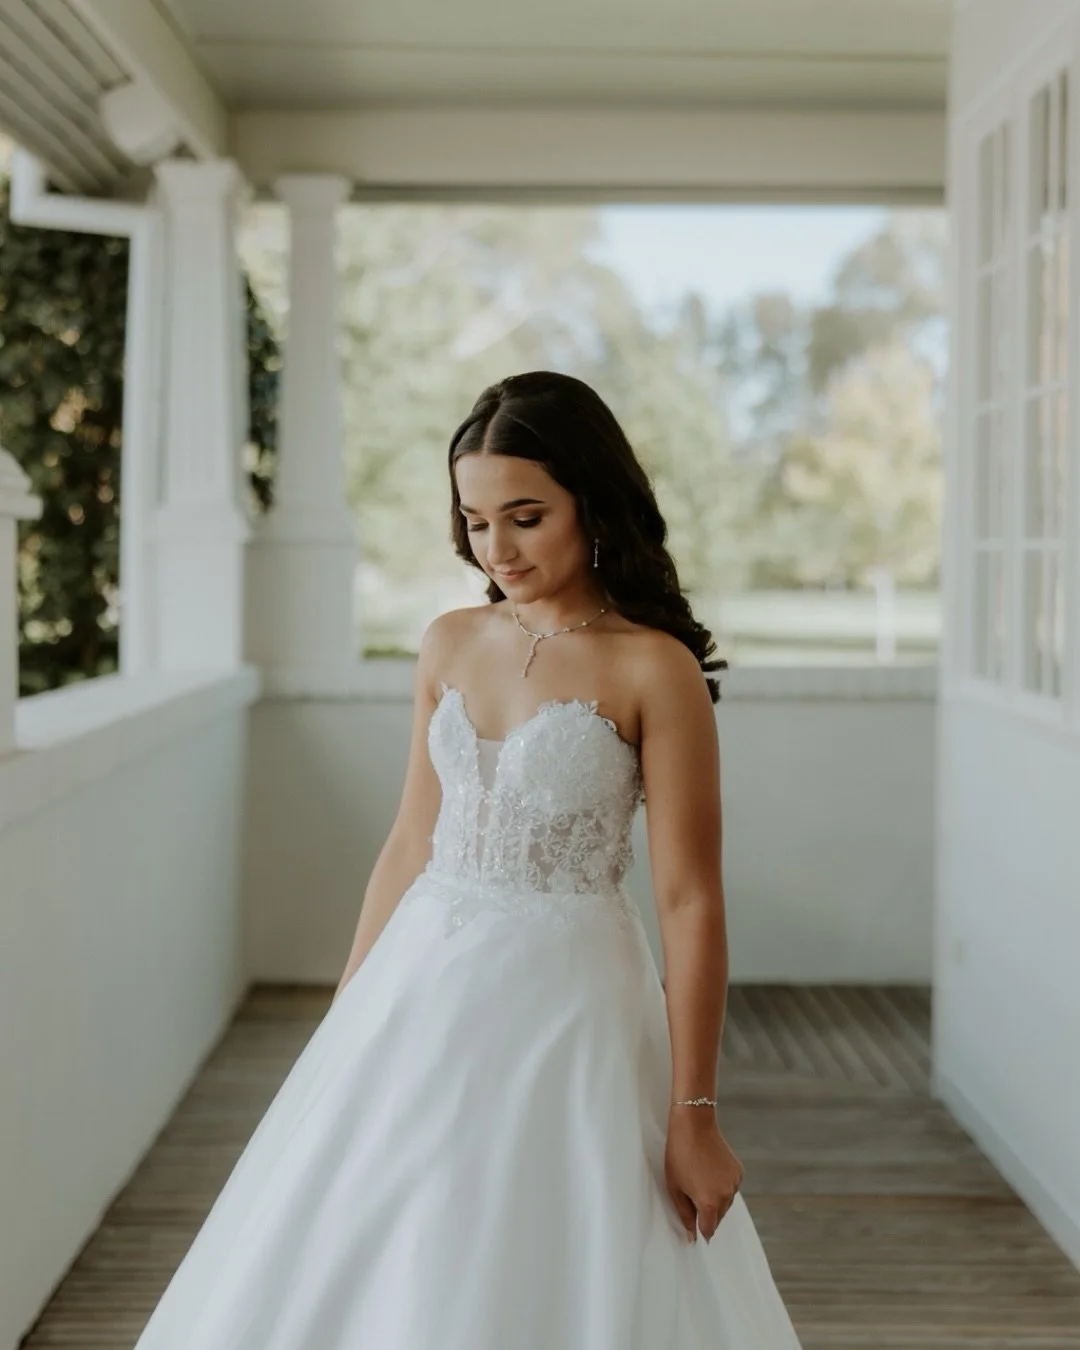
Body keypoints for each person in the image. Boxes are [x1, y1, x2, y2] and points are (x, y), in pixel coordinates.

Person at [132, 371, 803, 1348]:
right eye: (477, 520)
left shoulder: (650, 668)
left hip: (569, 1003)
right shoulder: (449, 642)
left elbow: (691, 900)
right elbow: (412, 839)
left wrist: (694, 1114)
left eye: (526, 516)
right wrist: (347, 1017)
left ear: (592, 500)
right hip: (423, 977)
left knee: (547, 1247)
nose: (499, 548)